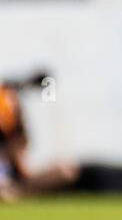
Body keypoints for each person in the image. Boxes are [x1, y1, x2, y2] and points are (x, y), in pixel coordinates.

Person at [0, 72, 81, 203]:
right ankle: (14, 194)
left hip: (13, 182)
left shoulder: (13, 131)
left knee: (66, 170)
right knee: (65, 172)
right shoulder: (10, 134)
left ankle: (15, 194)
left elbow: (22, 168)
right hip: (9, 184)